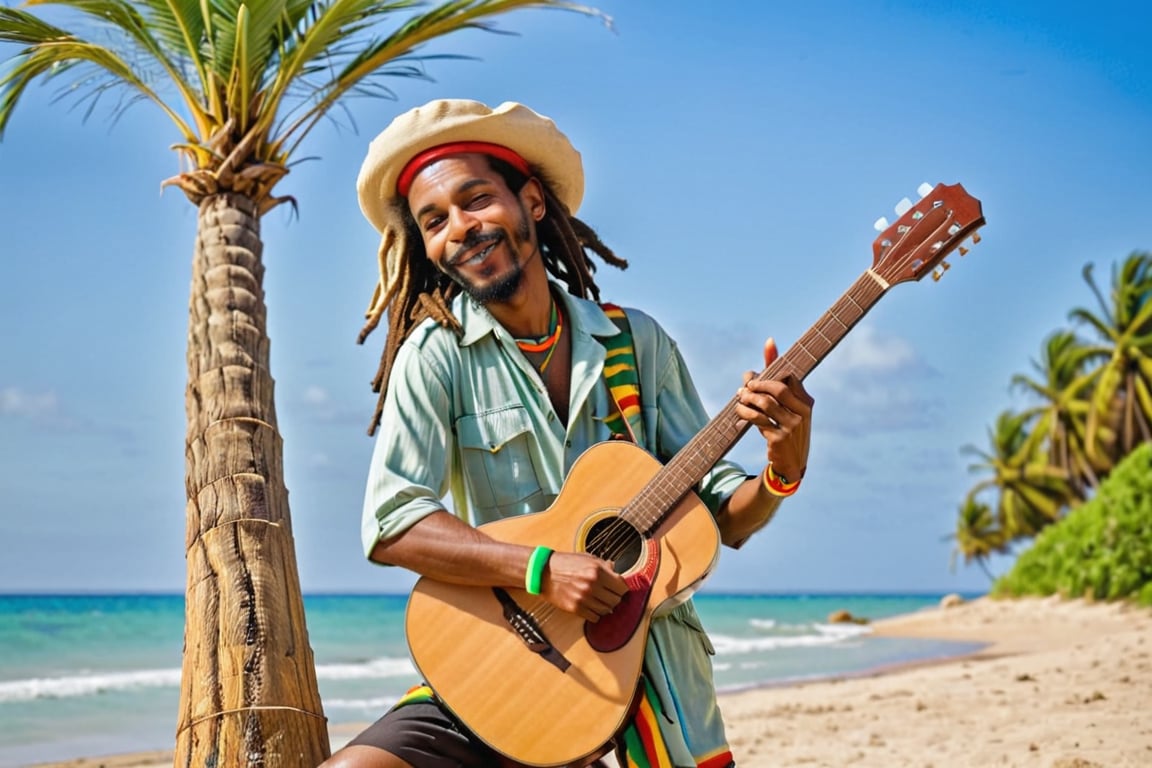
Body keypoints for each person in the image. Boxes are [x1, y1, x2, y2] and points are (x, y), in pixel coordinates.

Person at [323, 99, 814, 768]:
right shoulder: (435, 356)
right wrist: (538, 569)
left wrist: (783, 465)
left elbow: (724, 519)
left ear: (532, 201)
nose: (460, 228)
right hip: (510, 663)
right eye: (435, 221)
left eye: (476, 201)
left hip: (650, 669)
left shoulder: (634, 343)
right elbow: (393, 523)